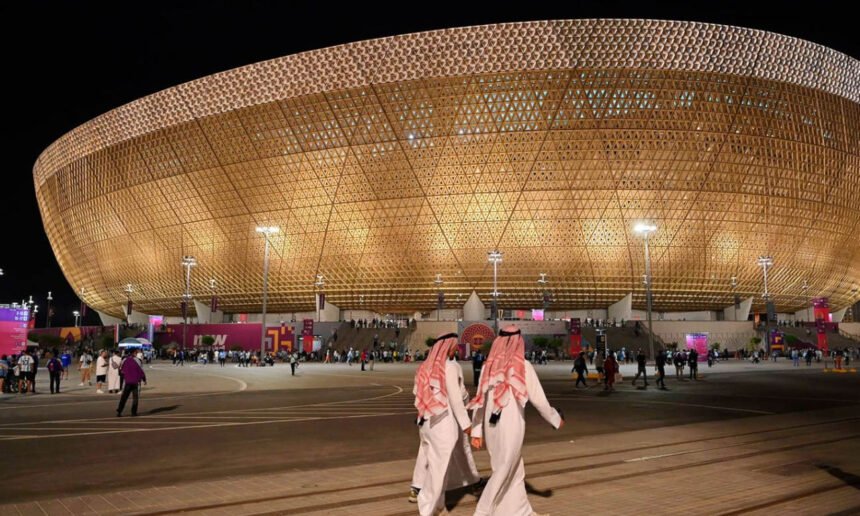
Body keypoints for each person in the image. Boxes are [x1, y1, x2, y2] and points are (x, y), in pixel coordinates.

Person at [468, 326, 563, 516]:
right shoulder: (522, 366)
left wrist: (477, 430)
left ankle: (519, 511)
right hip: (511, 424)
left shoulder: (488, 366)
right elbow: (538, 399)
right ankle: (482, 512)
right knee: (504, 468)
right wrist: (555, 418)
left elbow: (479, 400)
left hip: (490, 425)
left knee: (515, 469)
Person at [411, 333, 475, 516]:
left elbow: (417, 393)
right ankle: (428, 508)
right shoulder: (450, 367)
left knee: (438, 467)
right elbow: (456, 398)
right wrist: (467, 425)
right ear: (448, 346)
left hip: (426, 423)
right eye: (455, 345)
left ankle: (439, 506)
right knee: (439, 470)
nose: (456, 348)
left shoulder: (425, 366)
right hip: (443, 425)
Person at [117, 350, 147, 417]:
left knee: (124, 397)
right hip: (136, 382)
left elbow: (121, 371)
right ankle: (133, 412)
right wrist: (144, 379)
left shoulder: (124, 360)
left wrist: (124, 376)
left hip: (128, 381)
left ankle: (119, 411)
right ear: (135, 353)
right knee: (135, 398)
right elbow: (141, 371)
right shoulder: (138, 361)